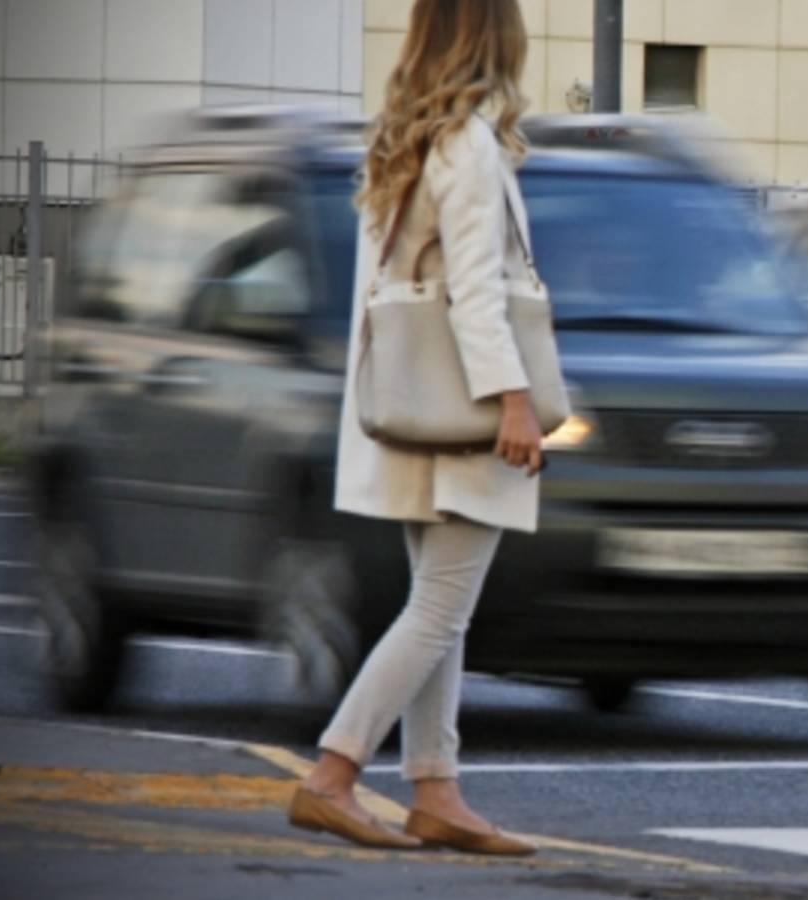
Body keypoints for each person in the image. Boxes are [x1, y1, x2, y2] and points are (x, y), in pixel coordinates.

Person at [286, 0, 546, 856]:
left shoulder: (403, 134)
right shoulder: (466, 143)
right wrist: (513, 397)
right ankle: (333, 774)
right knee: (440, 607)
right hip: (466, 407)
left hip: (413, 403)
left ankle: (436, 788)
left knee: (439, 607)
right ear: (494, 39)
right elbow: (475, 288)